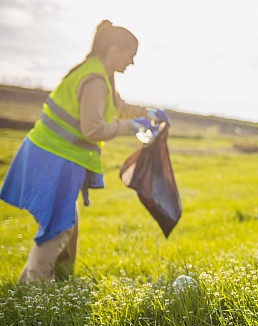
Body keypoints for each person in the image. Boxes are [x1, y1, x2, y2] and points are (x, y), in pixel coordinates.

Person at [0, 20, 169, 283]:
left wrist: (145, 113)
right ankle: (35, 286)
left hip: (53, 155)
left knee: (69, 220)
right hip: (52, 157)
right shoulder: (95, 81)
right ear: (114, 50)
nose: (132, 62)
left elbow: (117, 104)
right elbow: (93, 130)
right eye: (130, 55)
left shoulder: (99, 74)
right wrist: (132, 125)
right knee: (59, 226)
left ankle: (62, 275)